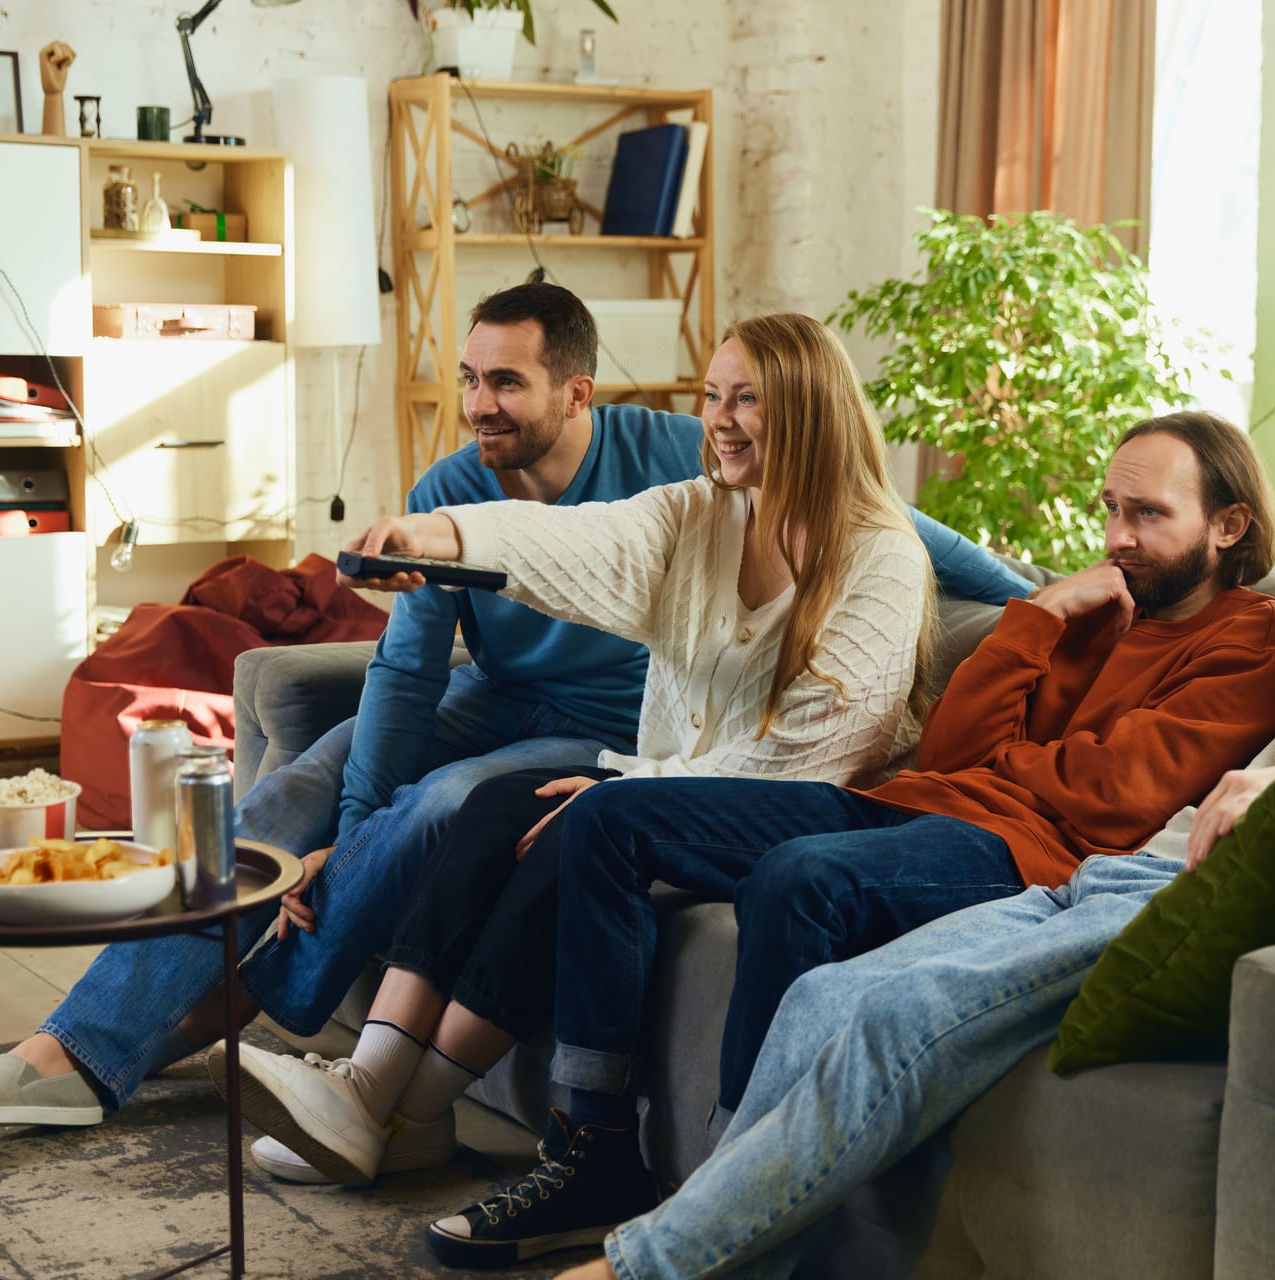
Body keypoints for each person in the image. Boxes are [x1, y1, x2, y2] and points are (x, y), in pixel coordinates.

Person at [550, 400, 1275, 1280]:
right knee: (827, 998)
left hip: (1218, 876)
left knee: (903, 1008)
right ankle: (728, 1251)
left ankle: (647, 1261)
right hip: (1123, 864)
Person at [0, 287, 1031, 1130]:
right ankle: (87, 1040)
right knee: (301, 786)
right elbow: (407, 670)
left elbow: (874, 513)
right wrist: (338, 834)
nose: (480, 406)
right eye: (470, 379)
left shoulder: (673, 462)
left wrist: (1037, 591)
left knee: (450, 802)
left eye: (506, 383)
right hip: (486, 694)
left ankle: (274, 1002)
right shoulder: (461, 481)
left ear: (576, 392)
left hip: (595, 721)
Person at [399, 409, 1275, 1268]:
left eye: (1148, 515)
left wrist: (1023, 757)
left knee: (802, 880)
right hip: (919, 800)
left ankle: (735, 1190)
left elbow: (1111, 800)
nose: (1118, 538)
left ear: (1230, 525)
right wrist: (1036, 617)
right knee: (609, 817)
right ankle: (592, 1148)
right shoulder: (1091, 612)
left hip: (1023, 856)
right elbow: (961, 745)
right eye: (1111, 510)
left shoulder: (1260, 644)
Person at [218, 311, 948, 1203]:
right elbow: (574, 541)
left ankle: (403, 1112)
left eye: (747, 399)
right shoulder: (696, 515)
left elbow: (813, 759)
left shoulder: (881, 555)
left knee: (580, 822)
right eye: (713, 396)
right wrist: (431, 539)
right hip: (675, 793)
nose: (719, 419)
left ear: (809, 409)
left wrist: (632, 788)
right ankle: (369, 1090)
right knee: (494, 804)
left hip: (804, 812)